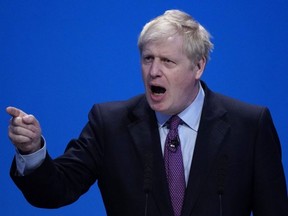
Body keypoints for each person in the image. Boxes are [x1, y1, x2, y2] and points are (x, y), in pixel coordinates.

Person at [6, 9, 288, 216]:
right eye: (148, 59)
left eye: (167, 61)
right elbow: (56, 191)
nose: (154, 71)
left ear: (198, 67)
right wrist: (31, 151)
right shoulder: (109, 123)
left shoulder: (249, 125)